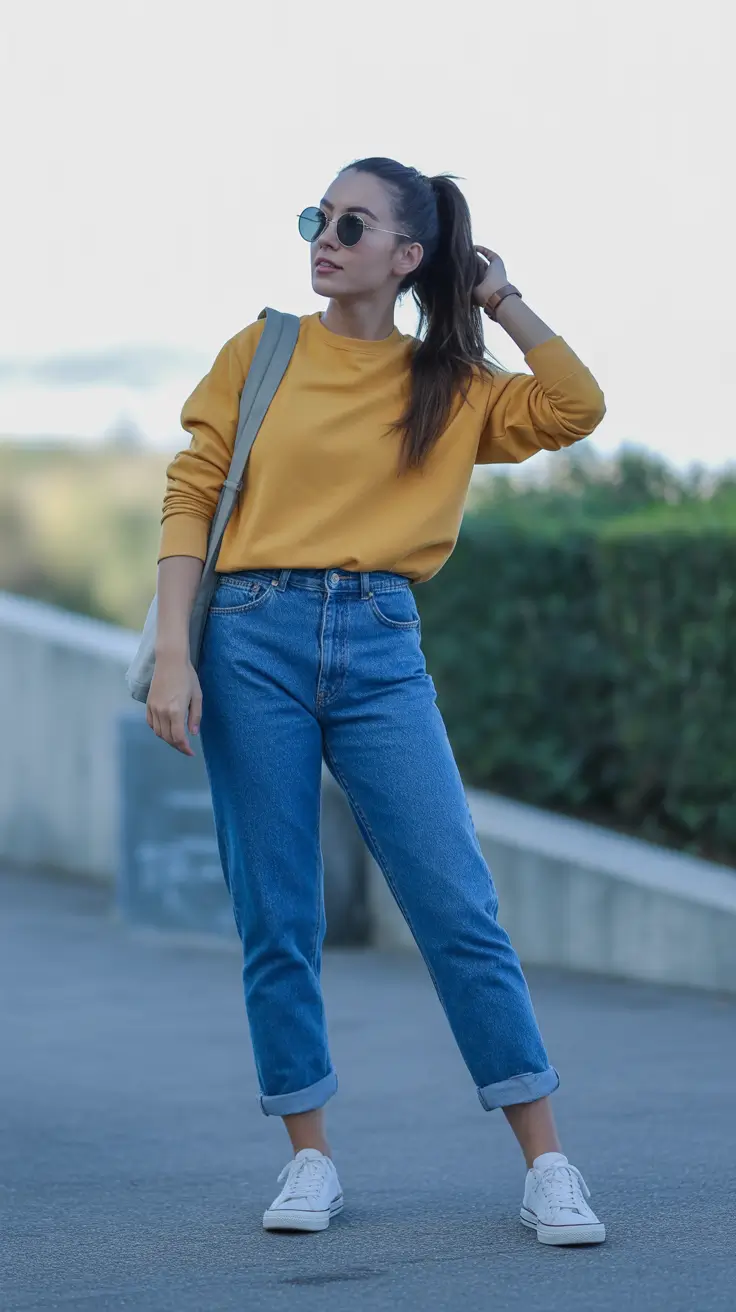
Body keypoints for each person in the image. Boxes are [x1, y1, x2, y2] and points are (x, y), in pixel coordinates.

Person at [146, 157, 607, 1246]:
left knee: (455, 905)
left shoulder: (448, 385)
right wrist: (176, 650)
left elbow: (574, 406)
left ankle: (547, 1162)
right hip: (247, 635)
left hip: (381, 643)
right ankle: (309, 1157)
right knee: (278, 911)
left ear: (406, 256)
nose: (324, 237)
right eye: (317, 217)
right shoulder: (261, 352)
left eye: (351, 224)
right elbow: (193, 487)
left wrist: (496, 295)